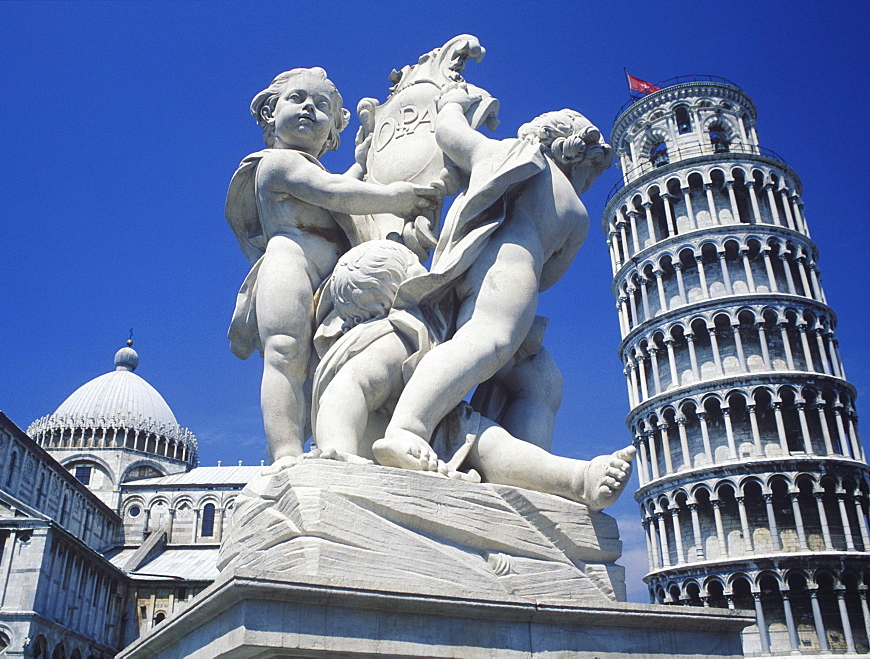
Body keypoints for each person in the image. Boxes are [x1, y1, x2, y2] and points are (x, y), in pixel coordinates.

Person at [376, 84, 613, 472]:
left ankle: (524, 469)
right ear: (575, 155)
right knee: (488, 342)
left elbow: (450, 135)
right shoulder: (574, 209)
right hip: (513, 272)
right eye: (592, 171)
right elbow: (549, 275)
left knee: (541, 380)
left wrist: (453, 101)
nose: (589, 182)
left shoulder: (506, 154)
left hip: (467, 267)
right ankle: (407, 428)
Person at [225, 67, 442, 472]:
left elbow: (344, 186)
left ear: (331, 133)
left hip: (332, 284)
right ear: (271, 114)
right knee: (285, 354)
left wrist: (367, 162)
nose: (309, 107)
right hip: (289, 264)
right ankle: (286, 452)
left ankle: (337, 436)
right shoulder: (276, 164)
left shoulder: (319, 171)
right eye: (298, 98)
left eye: (322, 106)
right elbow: (334, 193)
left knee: (326, 365)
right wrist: (395, 198)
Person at [311, 240, 633, 511]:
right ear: (402, 287)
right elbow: (347, 387)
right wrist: (338, 451)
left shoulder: (408, 336)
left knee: (489, 440)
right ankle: (578, 479)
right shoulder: (392, 339)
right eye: (418, 273)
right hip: (390, 447)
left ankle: (580, 479)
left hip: (432, 436)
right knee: (489, 442)